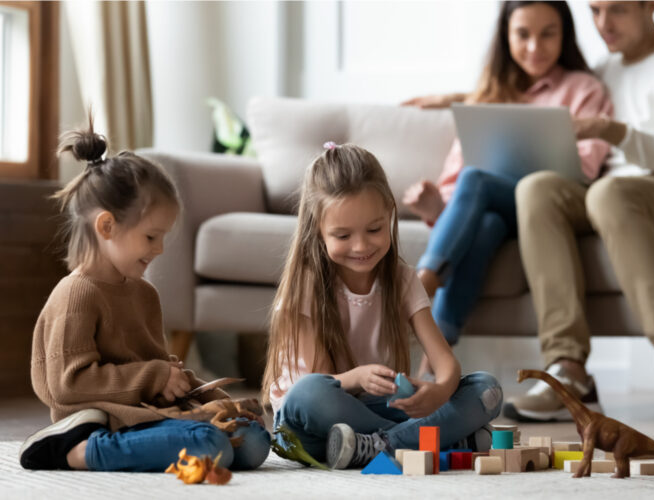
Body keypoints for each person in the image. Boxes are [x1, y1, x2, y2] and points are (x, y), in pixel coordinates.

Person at [506, 1, 654, 426]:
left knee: (609, 194)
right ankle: (567, 369)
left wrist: (609, 130)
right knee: (537, 188)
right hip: (617, 194)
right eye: (595, 10)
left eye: (617, 10)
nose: (602, 25)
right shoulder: (605, 69)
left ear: (651, 4)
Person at [19, 118, 271, 471]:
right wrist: (155, 376)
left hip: (144, 412)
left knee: (254, 441)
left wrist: (221, 403)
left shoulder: (144, 294)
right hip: (102, 421)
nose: (161, 249)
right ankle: (73, 451)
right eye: (151, 237)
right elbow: (68, 385)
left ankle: (180, 438)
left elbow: (162, 373)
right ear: (107, 226)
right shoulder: (76, 294)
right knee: (209, 444)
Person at [262, 142, 503, 470]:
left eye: (374, 229)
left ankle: (381, 446)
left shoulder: (402, 279)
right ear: (317, 232)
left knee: (486, 389)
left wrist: (439, 389)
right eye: (343, 236)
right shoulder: (306, 284)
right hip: (310, 424)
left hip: (370, 413)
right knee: (308, 394)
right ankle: (433, 440)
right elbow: (313, 383)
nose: (361, 246)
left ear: (390, 213)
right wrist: (357, 377)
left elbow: (446, 362)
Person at [402, 1, 613, 375]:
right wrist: (437, 205)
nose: (535, 47)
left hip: (552, 209)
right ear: (506, 37)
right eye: (523, 34)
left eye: (548, 33)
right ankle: (435, 361)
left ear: (564, 35)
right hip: (497, 212)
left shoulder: (585, 90)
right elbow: (454, 179)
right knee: (486, 225)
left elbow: (584, 168)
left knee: (476, 178)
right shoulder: (488, 96)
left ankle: (421, 285)